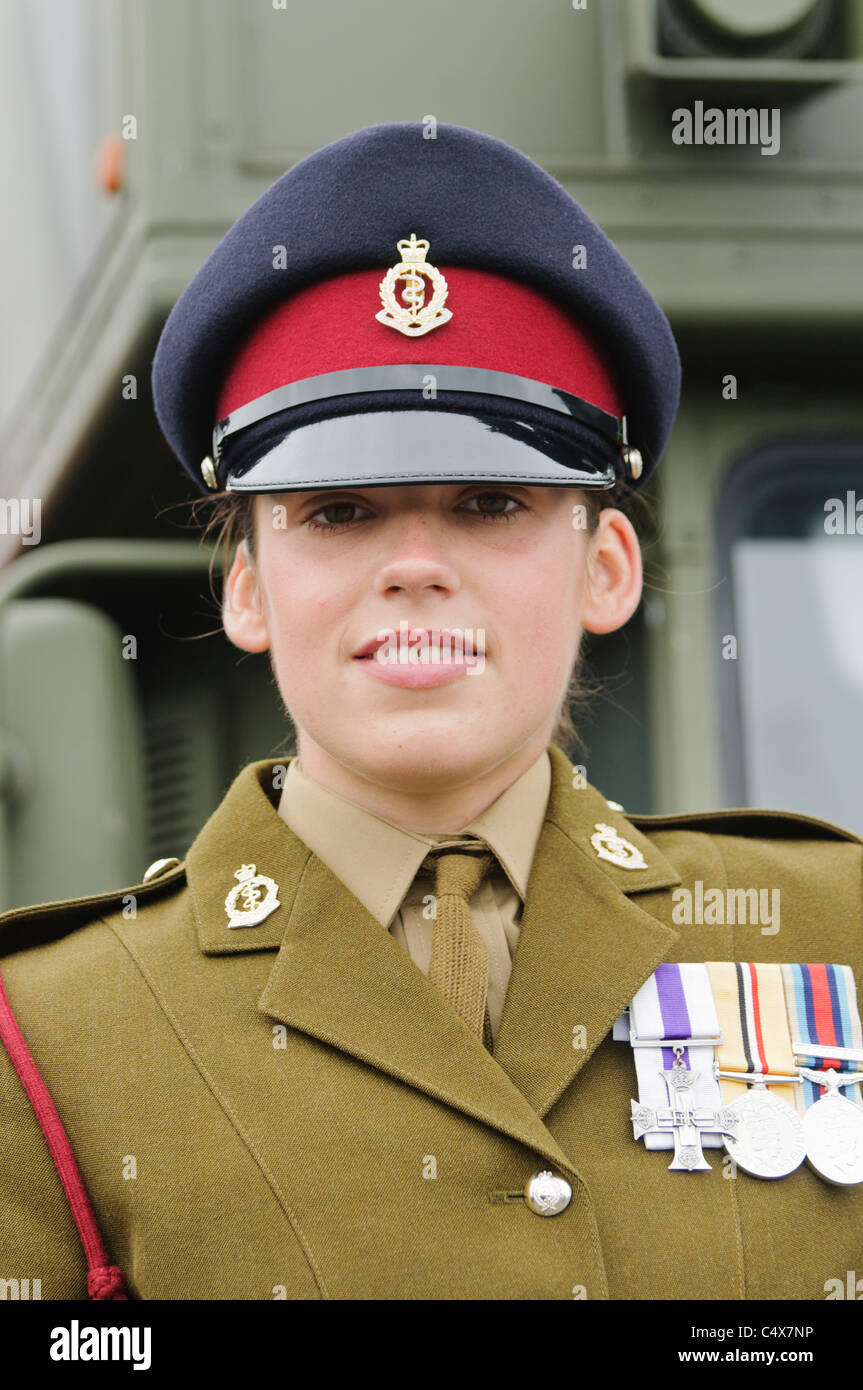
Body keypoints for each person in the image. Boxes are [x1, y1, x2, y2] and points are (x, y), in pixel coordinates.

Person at [1, 121, 861, 1302]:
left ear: (607, 566)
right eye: (340, 512)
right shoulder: (41, 1043)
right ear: (244, 584)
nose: (414, 564)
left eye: (491, 500)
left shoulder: (829, 932)